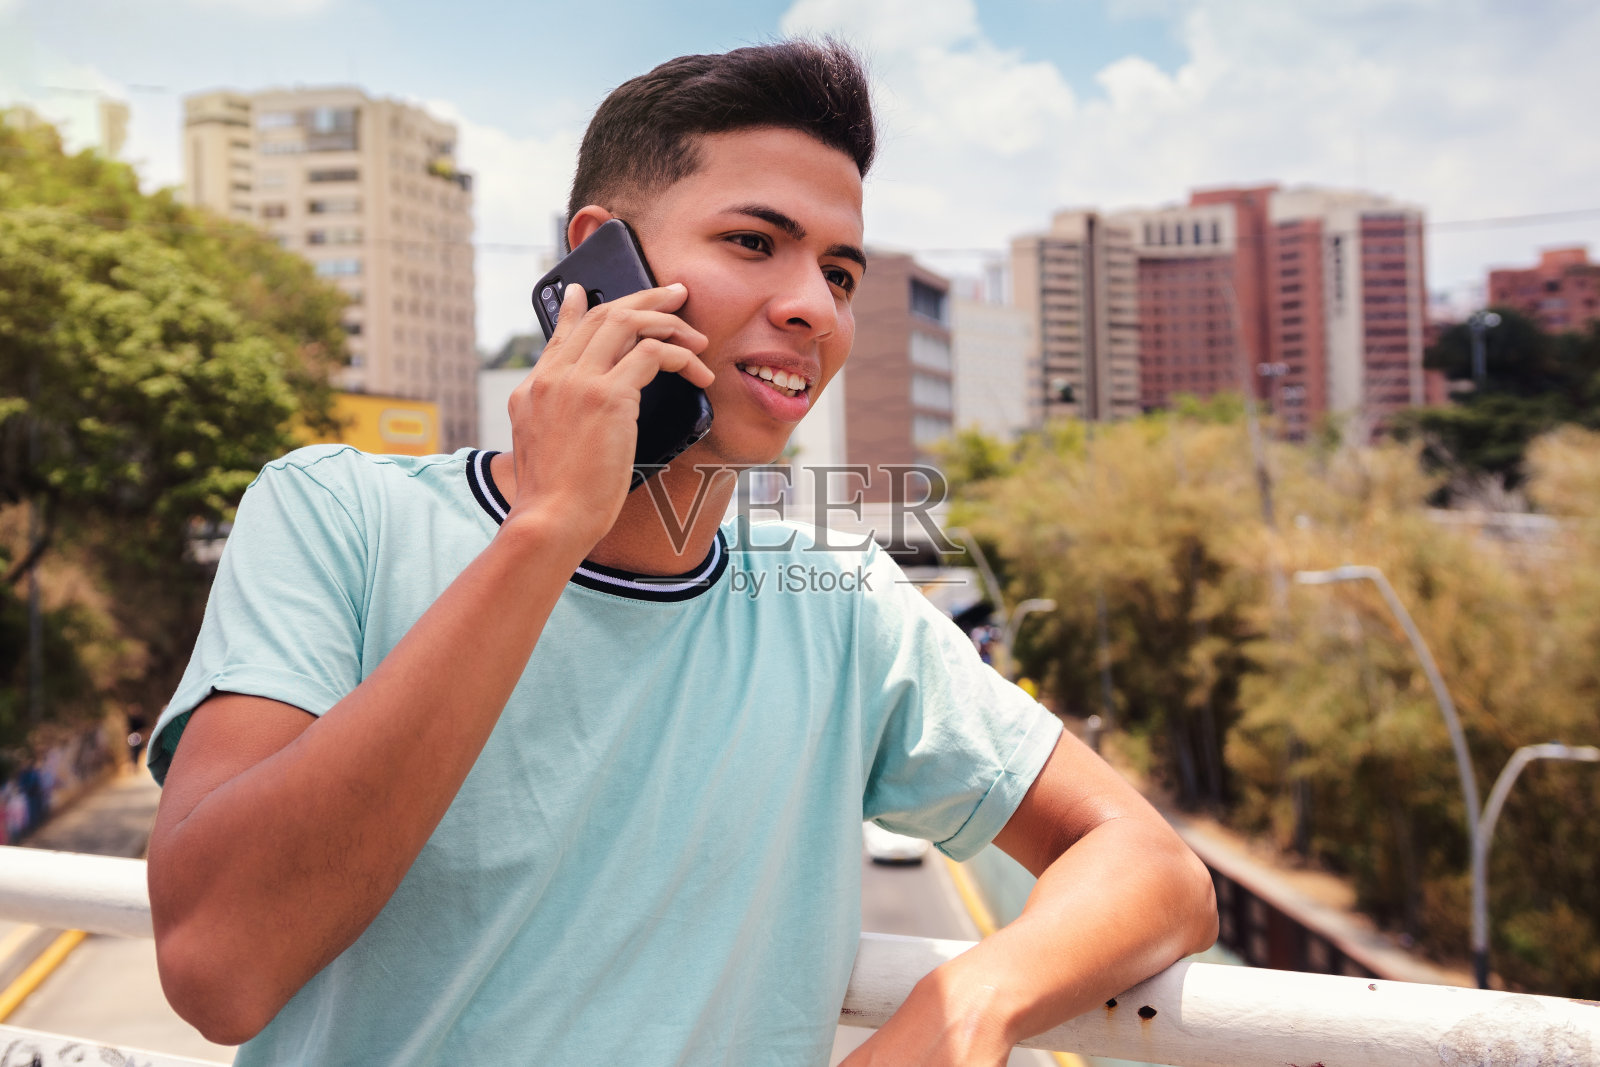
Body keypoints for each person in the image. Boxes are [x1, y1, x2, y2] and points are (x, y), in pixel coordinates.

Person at [145, 40, 1216, 1066]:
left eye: (838, 271)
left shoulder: (838, 603)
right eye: (754, 243)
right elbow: (220, 967)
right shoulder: (339, 512)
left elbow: (1157, 870)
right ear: (598, 262)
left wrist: (973, 998)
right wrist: (550, 529)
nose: (812, 307)